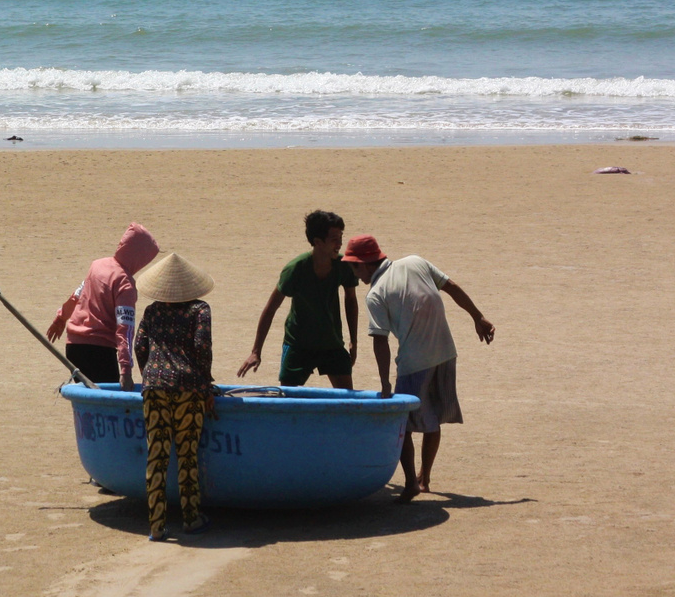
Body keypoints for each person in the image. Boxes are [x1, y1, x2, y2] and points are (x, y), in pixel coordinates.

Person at [344, 234, 495, 502]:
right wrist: (478, 316)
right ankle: (424, 478)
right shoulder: (416, 261)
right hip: (446, 352)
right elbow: (452, 287)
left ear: (364, 263)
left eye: (354, 268)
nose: (355, 275)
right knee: (432, 417)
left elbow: (380, 341)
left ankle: (412, 483)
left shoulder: (375, 294)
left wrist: (385, 384)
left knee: (403, 424)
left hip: (414, 363)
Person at [132, 252, 216, 541]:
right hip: (188, 388)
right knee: (187, 454)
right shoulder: (200, 310)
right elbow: (202, 348)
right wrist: (205, 386)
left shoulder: (152, 312)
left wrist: (150, 374)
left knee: (156, 455)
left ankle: (156, 526)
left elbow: (140, 347)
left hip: (154, 388)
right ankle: (191, 517)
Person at [237, 209, 358, 388]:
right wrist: (256, 351)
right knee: (288, 397)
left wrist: (354, 340)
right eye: (334, 239)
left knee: (348, 398)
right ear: (317, 242)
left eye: (341, 237)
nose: (340, 244)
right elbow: (271, 309)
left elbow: (351, 300)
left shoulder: (343, 266)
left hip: (331, 342)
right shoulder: (296, 269)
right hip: (299, 343)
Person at [45, 223, 159, 389]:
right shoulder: (125, 284)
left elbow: (76, 295)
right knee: (106, 401)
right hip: (99, 352)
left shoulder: (97, 265)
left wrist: (61, 318)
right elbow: (125, 330)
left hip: (74, 348)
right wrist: (126, 370)